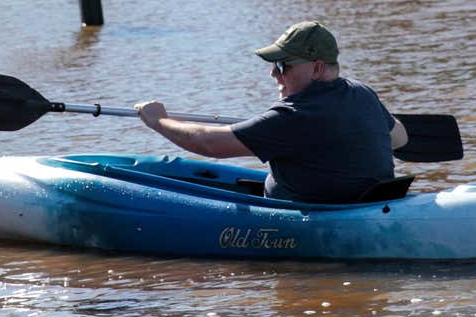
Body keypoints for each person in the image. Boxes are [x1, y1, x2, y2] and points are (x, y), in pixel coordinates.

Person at [135, 20, 408, 203]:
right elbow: (400, 138)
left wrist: (158, 120)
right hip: (364, 203)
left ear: (316, 68)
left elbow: (206, 143)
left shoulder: (295, 116)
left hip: (315, 217)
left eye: (283, 66)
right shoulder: (362, 93)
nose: (274, 74)